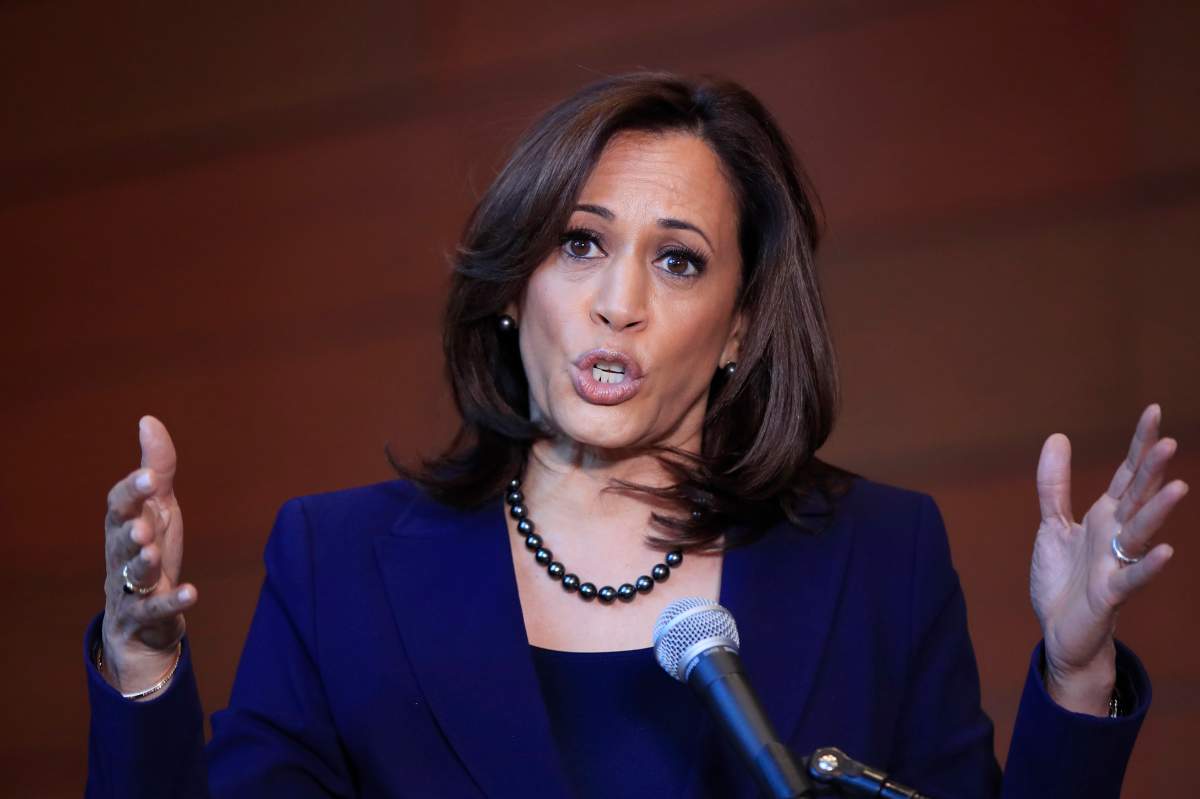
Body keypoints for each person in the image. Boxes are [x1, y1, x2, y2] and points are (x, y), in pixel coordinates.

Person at [86, 71, 1187, 799]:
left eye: (678, 259)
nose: (620, 302)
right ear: (514, 286)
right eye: (577, 243)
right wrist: (140, 660)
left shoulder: (879, 556)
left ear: (740, 326)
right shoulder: (337, 566)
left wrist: (1076, 669)